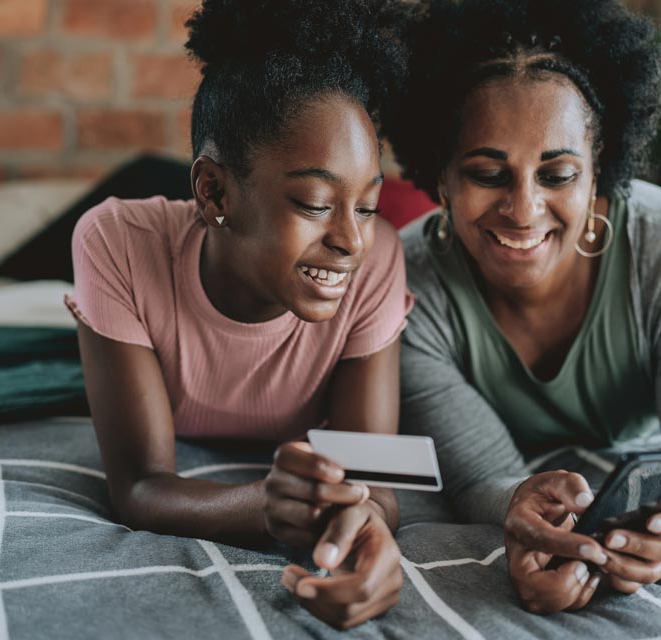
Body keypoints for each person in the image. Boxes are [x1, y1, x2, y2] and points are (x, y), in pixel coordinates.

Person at [385, 0, 661, 614]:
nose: (523, 210)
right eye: (487, 174)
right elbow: (482, 478)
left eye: (557, 175)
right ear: (441, 176)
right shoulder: (403, 286)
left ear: (598, 171)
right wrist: (529, 514)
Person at [67, 0, 412, 629]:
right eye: (315, 203)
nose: (351, 241)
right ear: (214, 192)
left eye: (366, 207)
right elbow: (140, 486)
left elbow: (373, 476)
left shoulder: (379, 259)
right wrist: (262, 507)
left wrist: (360, 525)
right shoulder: (116, 243)